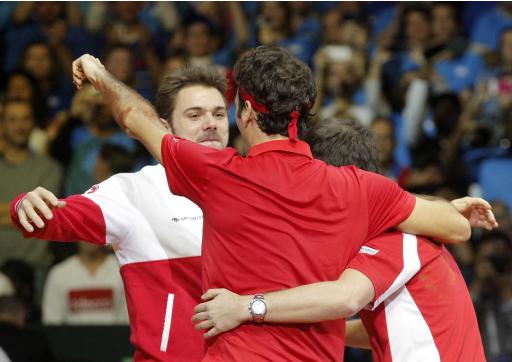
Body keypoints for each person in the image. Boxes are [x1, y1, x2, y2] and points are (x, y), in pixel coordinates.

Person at [71, 46, 474, 361]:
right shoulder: (361, 187)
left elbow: (135, 118)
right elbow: (456, 227)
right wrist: (428, 204)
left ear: (245, 111)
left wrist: (99, 73)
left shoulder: (218, 174)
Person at [191, 118, 487, 362]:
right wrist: (307, 326)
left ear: (339, 180)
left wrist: (245, 307)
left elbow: (345, 298)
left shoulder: (397, 237)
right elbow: (382, 330)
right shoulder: (396, 229)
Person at [10, 66, 230, 361]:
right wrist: (25, 204)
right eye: (195, 115)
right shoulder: (135, 192)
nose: (211, 124)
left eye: (218, 114)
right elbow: (55, 219)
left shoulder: (256, 185)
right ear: (164, 128)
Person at [0, 98, 62, 268]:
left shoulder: (50, 169)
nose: (19, 126)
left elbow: (41, 214)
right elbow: (29, 214)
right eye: (12, 119)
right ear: (3, 124)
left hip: (36, 269)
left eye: (25, 119)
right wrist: (23, 210)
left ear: (33, 123)